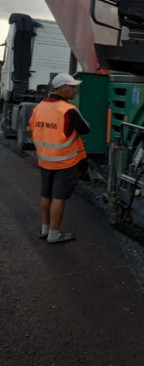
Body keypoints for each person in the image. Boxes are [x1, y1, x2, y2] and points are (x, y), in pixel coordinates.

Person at [29, 73, 90, 244]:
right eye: (72, 87)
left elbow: (33, 127)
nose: (75, 90)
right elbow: (85, 129)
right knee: (58, 198)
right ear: (62, 88)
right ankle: (54, 234)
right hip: (64, 161)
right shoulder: (68, 109)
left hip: (44, 160)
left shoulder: (39, 107)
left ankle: (45, 228)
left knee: (46, 194)